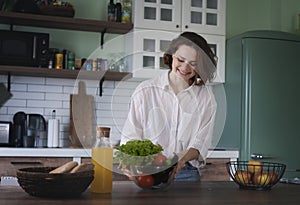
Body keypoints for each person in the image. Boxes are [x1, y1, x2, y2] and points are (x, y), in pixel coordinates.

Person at [120, 32, 218, 181]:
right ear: (171, 56)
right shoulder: (145, 91)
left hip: (186, 173)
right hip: (149, 171)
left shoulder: (206, 98)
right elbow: (130, 135)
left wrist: (181, 158)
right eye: (180, 59)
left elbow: (201, 142)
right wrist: (129, 161)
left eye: (193, 63)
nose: (185, 67)